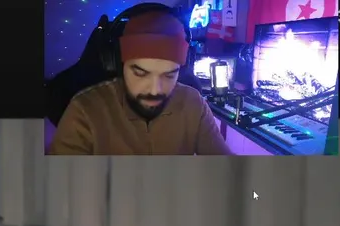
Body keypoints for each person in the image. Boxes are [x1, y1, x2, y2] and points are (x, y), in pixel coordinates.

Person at [49, 9, 231, 155]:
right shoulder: (85, 110)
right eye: (140, 73)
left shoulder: (193, 103)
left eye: (169, 75)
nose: (155, 90)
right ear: (118, 65)